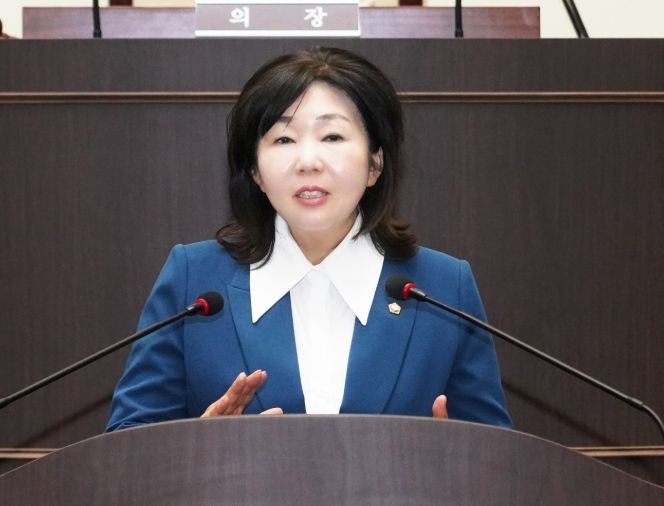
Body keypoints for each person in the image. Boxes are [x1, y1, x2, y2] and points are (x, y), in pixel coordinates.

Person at [106, 47, 511, 431]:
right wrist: (199, 448)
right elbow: (126, 443)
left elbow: (497, 457)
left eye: (332, 137)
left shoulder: (443, 287)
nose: (308, 162)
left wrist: (455, 459)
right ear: (255, 171)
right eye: (283, 140)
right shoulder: (194, 282)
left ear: (375, 163)